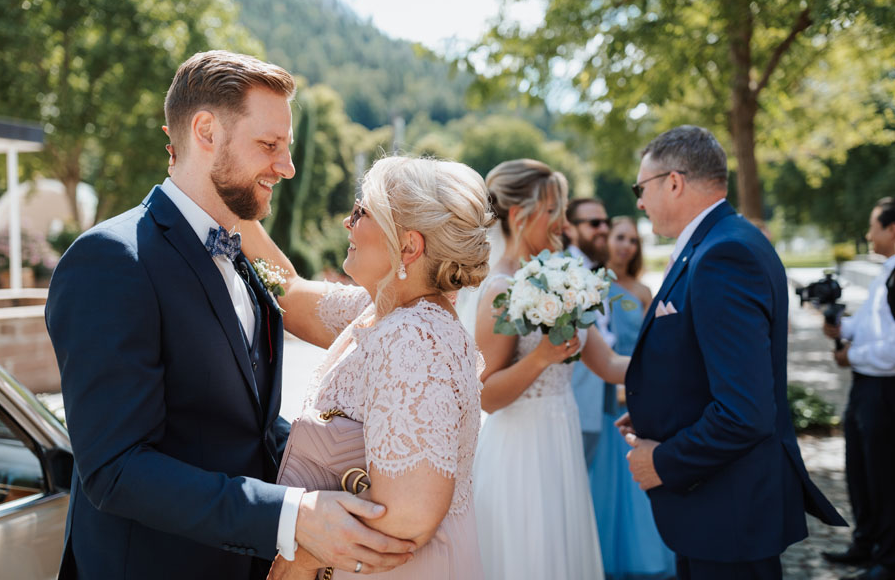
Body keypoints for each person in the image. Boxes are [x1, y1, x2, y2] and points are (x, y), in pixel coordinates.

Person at [45, 51, 414, 580]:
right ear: (205, 131)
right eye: (270, 145)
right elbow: (116, 470)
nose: (286, 167)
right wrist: (294, 516)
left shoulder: (241, 256)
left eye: (287, 148)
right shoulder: (110, 261)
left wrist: (348, 472)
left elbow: (243, 429)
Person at [584, 125, 846, 580]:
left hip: (728, 509)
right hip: (719, 506)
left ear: (673, 181)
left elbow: (745, 411)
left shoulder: (723, 254)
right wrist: (656, 413)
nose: (640, 203)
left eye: (640, 188)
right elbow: (703, 364)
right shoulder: (722, 240)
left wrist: (661, 461)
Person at [245, 156, 491, 579]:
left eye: (361, 212)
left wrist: (301, 558)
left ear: (409, 246)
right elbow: (288, 291)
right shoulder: (382, 310)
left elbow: (408, 516)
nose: (347, 222)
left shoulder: (414, 338)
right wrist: (231, 204)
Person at [472, 158, 611, 580]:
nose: (563, 222)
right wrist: (540, 358)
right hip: (519, 451)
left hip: (561, 438)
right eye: (553, 210)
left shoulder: (565, 277)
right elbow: (485, 395)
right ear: (518, 215)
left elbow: (610, 364)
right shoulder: (499, 289)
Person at [588, 217, 676, 580]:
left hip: (637, 395)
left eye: (632, 240)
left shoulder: (641, 292)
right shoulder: (590, 287)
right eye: (618, 238)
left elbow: (657, 349)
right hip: (602, 396)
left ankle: (644, 561)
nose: (625, 246)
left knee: (636, 486)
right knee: (605, 487)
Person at [822, 197, 895, 580]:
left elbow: (893, 349)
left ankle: (888, 558)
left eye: (874, 226)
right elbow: (872, 328)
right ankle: (866, 544)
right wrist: (841, 328)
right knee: (860, 470)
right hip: (866, 388)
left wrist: (853, 356)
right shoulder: (885, 272)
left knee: (883, 475)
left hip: (885, 391)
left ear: (893, 229)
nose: (869, 234)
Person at [565, 198, 615, 466]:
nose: (603, 229)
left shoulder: (594, 270)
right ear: (570, 228)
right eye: (594, 223)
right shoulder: (563, 272)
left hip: (600, 401)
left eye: (606, 223)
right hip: (577, 400)